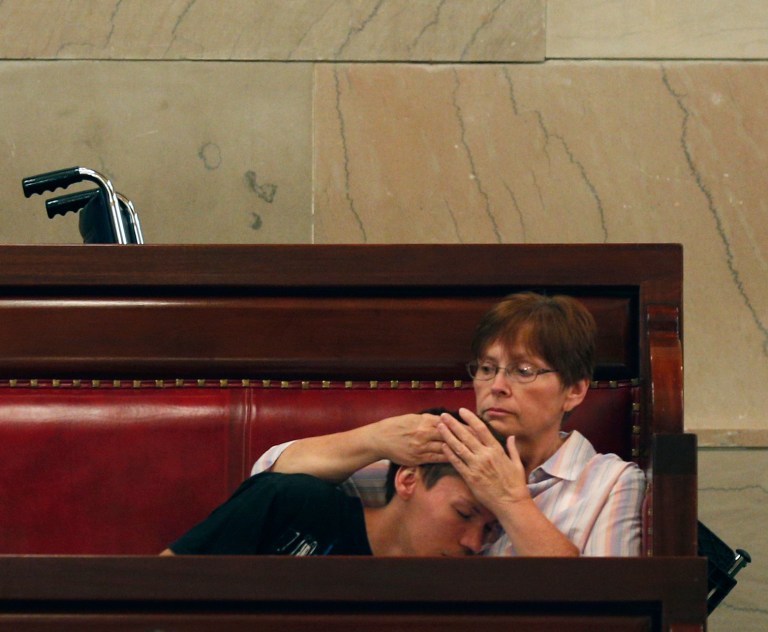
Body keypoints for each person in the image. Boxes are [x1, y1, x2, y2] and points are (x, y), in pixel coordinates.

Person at [251, 292, 646, 557]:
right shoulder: (442, 451)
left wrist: (510, 502)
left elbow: (615, 606)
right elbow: (270, 477)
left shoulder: (611, 482)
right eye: (487, 368)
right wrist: (374, 439)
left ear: (574, 390)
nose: (497, 386)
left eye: (523, 371)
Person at [161, 446, 500, 557]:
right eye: (463, 513)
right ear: (408, 480)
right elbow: (167, 583)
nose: (474, 544)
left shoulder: (458, 592)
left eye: (489, 530)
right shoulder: (292, 501)